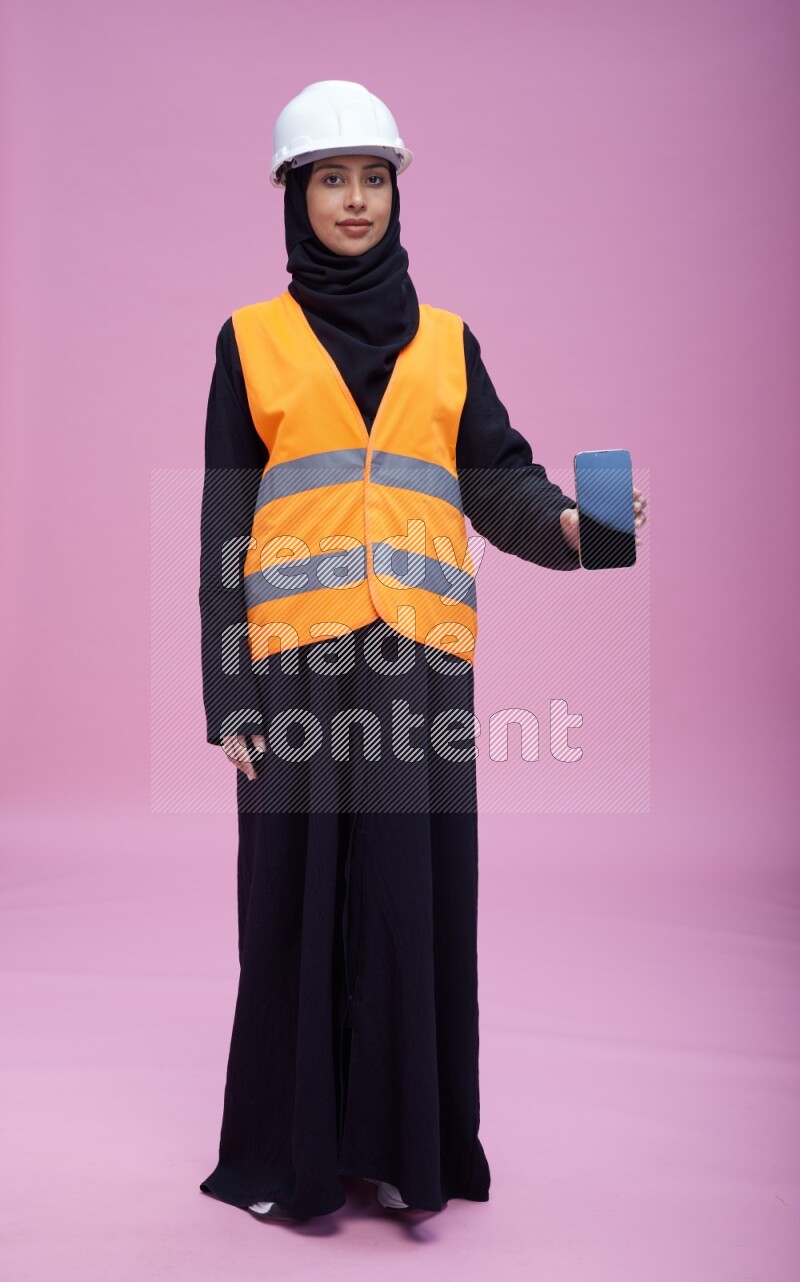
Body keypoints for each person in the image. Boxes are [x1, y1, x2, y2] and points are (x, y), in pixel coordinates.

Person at [197, 79, 648, 1224]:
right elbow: (224, 531)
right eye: (330, 179)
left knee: (409, 903)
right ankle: (287, 1158)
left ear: (398, 193)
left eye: (373, 178)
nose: (354, 199)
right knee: (291, 904)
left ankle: (409, 1150)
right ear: (294, 197)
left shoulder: (449, 345)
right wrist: (229, 699)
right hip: (294, 666)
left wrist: (578, 529)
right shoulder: (248, 341)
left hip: (416, 671)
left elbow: (497, 478)